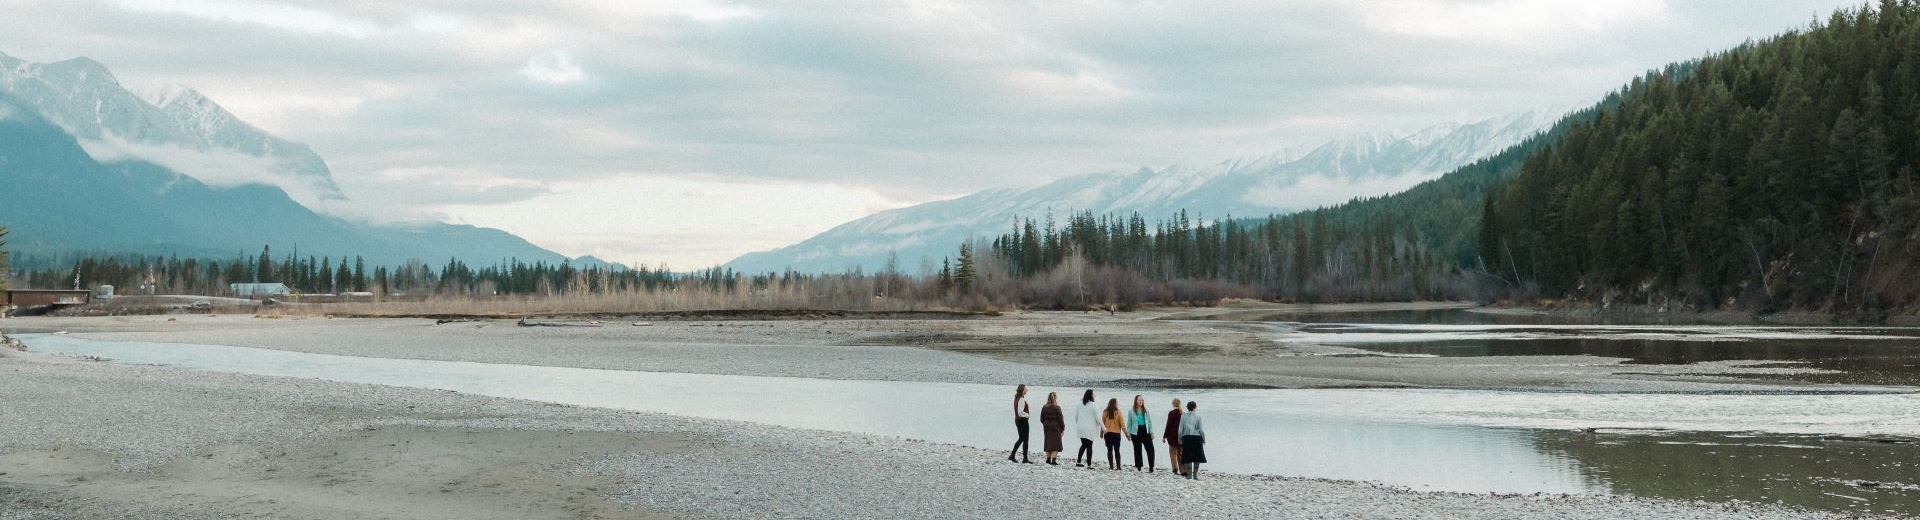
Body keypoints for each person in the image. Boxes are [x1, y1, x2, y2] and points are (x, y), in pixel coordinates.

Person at [1127, 395, 1156, 472]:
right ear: (1136, 401)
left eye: (1142, 400)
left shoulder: (1146, 410)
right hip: (1135, 432)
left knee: (1150, 449)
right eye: (1139, 400)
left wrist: (1152, 432)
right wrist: (1128, 434)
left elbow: (1149, 422)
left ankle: (1151, 467)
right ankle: (1139, 466)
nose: (1141, 401)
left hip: (1145, 431)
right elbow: (1129, 423)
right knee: (1137, 449)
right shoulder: (1131, 411)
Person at [1179, 400, 1206, 480]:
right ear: (1195, 407)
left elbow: (1180, 429)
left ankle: (1189, 475)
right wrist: (1204, 438)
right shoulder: (1198, 416)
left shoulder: (1183, 416)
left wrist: (1179, 438)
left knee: (1187, 455)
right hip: (1197, 438)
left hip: (1187, 437)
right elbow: (1201, 430)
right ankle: (1195, 475)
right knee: (1197, 456)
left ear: (1187, 408)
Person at [1008, 384, 1032, 464]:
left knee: (1021, 438)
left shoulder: (1016, 398)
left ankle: (1012, 455)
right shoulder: (1021, 399)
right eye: (1025, 389)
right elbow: (1020, 412)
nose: (1027, 390)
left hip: (1017, 420)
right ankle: (1025, 458)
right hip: (1023, 421)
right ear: (1022, 390)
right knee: (1025, 439)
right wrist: (1027, 415)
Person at [1075, 389, 1099, 467]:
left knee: (1084, 444)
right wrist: (1104, 427)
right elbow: (1098, 418)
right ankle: (1089, 464)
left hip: (1080, 428)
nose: (1095, 395)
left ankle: (1078, 461)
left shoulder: (1079, 404)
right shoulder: (1094, 405)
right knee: (1089, 445)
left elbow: (1076, 417)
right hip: (1089, 428)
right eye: (1094, 394)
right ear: (1091, 395)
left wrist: (1079, 424)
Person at [1040, 392, 1066, 465]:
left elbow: (1041, 418)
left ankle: (1048, 459)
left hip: (1047, 426)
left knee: (1048, 442)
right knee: (1056, 443)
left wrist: (1045, 423)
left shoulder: (1044, 407)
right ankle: (1053, 460)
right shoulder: (1057, 407)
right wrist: (1063, 428)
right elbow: (1060, 419)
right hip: (1055, 426)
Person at [1101, 398, 1125, 470]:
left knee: (1109, 450)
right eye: (1117, 403)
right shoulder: (1118, 412)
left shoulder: (1105, 412)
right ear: (1115, 404)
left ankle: (1111, 466)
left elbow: (1102, 423)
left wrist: (1101, 433)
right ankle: (1118, 466)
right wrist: (1127, 434)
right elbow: (1122, 424)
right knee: (1117, 450)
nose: (1118, 404)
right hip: (1116, 434)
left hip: (1107, 434)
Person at [1164, 398, 1185, 476]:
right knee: (1180, 454)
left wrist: (1164, 436)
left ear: (1173, 404)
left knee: (1172, 453)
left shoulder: (1171, 413)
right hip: (1181, 436)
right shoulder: (1182, 413)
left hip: (1172, 436)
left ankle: (1175, 468)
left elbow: (1168, 425)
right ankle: (1183, 470)